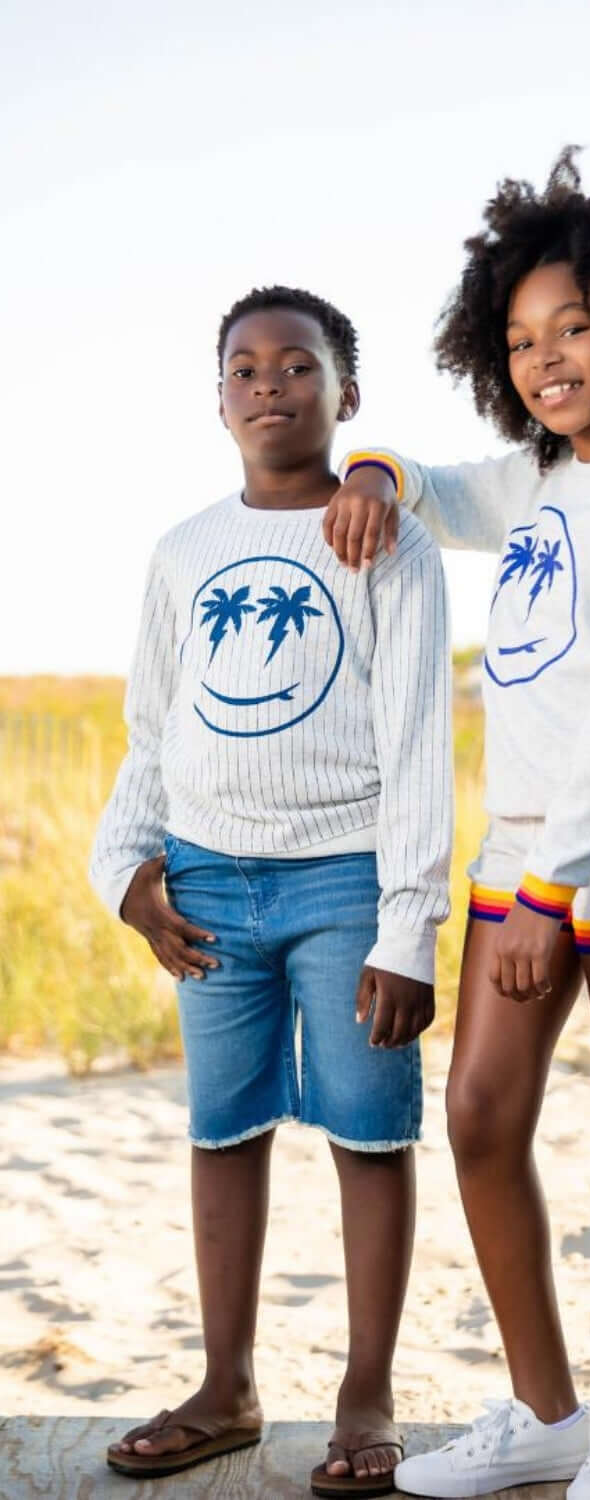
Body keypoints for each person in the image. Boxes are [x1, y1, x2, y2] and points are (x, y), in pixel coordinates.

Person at [325, 149, 590, 1500]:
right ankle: (546, 1409)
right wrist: (380, 470)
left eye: (572, 326)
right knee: (480, 1113)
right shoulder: (545, 478)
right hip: (524, 847)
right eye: (518, 339)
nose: (546, 357)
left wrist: (557, 893)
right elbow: (446, 490)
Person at [89, 286, 452, 1497]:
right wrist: (123, 879)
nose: (267, 385)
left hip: (347, 880)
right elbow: (154, 730)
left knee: (367, 1129)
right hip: (204, 881)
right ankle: (227, 1383)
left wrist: (409, 924)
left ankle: (365, 1392)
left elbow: (415, 741)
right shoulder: (184, 551)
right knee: (223, 1128)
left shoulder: (379, 536)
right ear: (219, 397)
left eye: (297, 366)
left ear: (347, 395)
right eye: (243, 368)